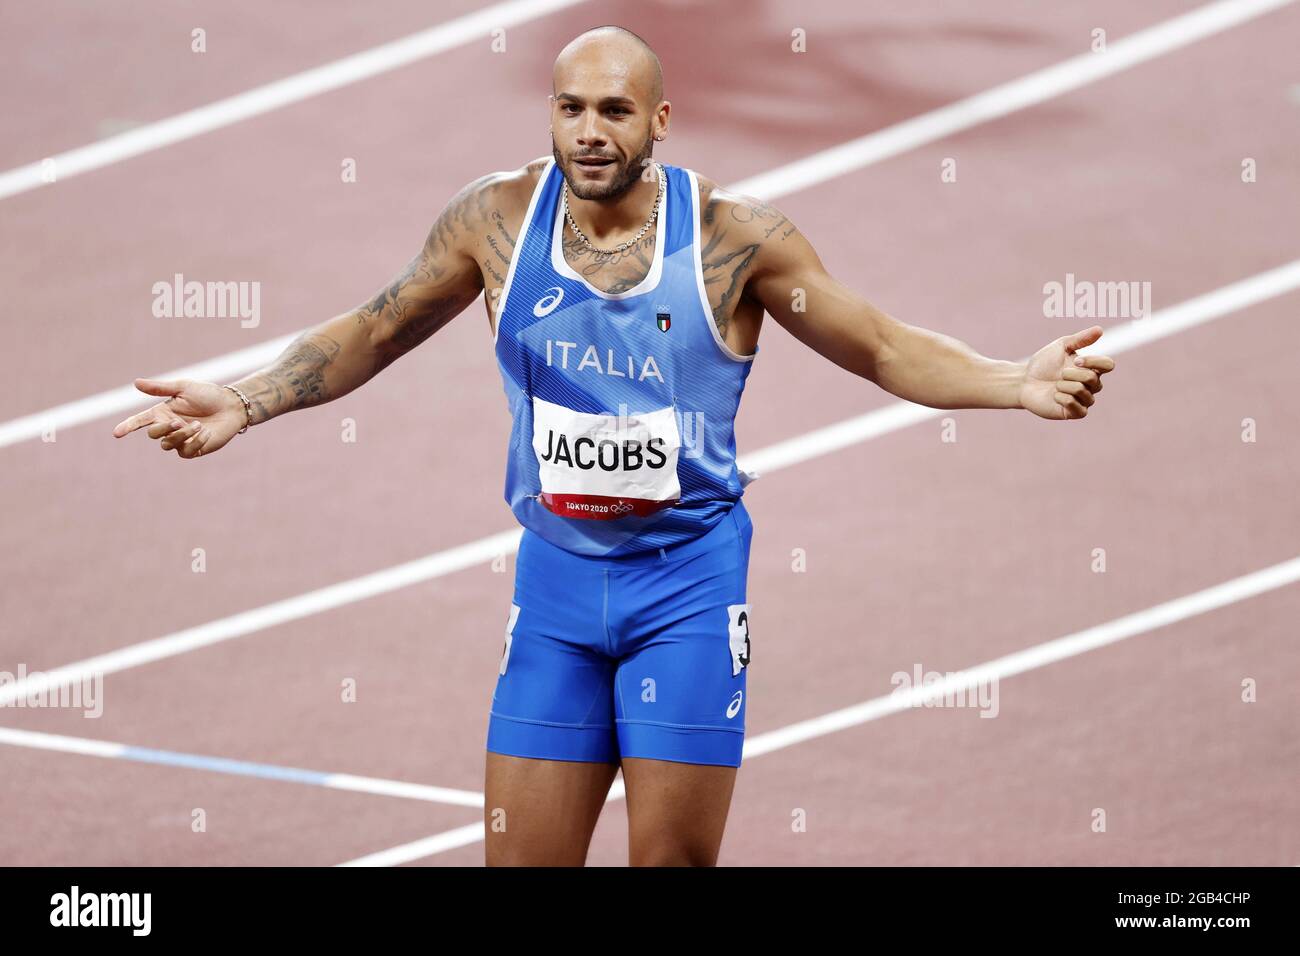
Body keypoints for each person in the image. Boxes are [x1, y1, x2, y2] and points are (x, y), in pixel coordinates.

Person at [112, 25, 1115, 866]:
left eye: (614, 111)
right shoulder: (496, 221)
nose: (589, 133)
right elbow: (375, 326)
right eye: (569, 109)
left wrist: (1012, 381)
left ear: (660, 122)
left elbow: (884, 345)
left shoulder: (737, 241)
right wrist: (245, 398)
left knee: (671, 863)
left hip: (684, 585)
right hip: (553, 587)